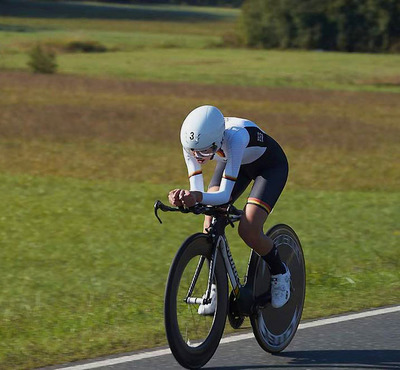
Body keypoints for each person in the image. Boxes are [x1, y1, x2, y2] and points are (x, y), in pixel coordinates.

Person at [168, 105, 290, 313]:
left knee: (248, 228)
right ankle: (217, 287)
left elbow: (223, 196)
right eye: (193, 152)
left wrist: (196, 197)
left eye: (205, 151)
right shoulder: (193, 143)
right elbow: (199, 193)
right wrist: (184, 197)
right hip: (234, 161)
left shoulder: (236, 137)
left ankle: (280, 272)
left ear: (216, 140)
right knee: (209, 223)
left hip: (269, 167)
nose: (198, 157)